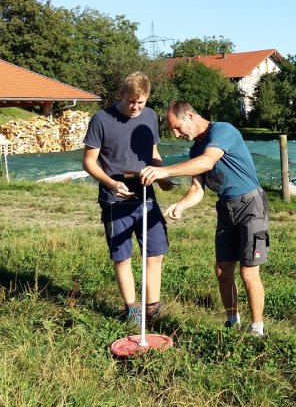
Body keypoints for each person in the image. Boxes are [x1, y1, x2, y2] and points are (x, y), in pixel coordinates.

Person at [139, 101, 268, 336]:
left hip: (251, 205)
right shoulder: (195, 149)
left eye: (177, 127)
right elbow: (197, 189)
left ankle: (257, 328)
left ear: (190, 114)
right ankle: (232, 321)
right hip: (226, 208)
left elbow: (208, 162)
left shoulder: (223, 131)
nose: (177, 134)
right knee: (222, 269)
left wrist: (164, 171)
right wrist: (181, 204)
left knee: (248, 272)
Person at [82, 71, 172, 325]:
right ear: (122, 94)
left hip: (146, 193)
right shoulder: (101, 119)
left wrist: (162, 175)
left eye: (141, 102)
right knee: (122, 255)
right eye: (132, 101)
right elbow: (89, 162)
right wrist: (111, 183)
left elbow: (153, 151)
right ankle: (132, 307)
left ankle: (153, 307)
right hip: (115, 198)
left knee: (155, 252)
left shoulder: (150, 116)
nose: (135, 107)